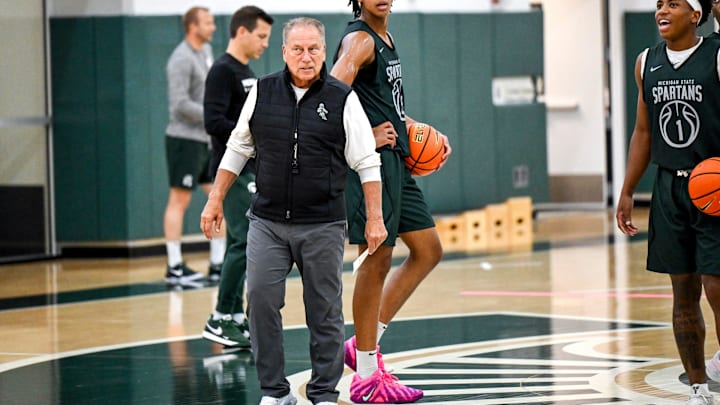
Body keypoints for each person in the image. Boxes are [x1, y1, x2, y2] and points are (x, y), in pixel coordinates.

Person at [200, 17, 386, 405]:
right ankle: (275, 392)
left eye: (314, 49)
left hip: (323, 224)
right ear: (284, 52)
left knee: (325, 313)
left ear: (324, 51)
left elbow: (367, 162)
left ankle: (322, 393)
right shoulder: (263, 91)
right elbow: (237, 147)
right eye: (297, 49)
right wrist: (215, 197)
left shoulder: (340, 97)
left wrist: (374, 218)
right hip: (267, 222)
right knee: (262, 302)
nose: (306, 57)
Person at [330, 0, 451, 402]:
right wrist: (363, 135)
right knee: (377, 257)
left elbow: (379, 101)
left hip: (396, 159)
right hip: (371, 164)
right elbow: (328, 99)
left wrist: (410, 126)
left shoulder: (385, 37)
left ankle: (362, 343)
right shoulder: (360, 40)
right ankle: (366, 375)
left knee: (428, 249)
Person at [615, 1, 720, 404]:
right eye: (659, 4)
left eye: (674, 4)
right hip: (668, 189)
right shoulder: (647, 62)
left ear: (696, 15)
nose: (662, 10)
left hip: (712, 189)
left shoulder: (716, 55)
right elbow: (643, 131)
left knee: (717, 287)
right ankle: (698, 389)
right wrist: (627, 190)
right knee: (683, 293)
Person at [201, 6, 273, 349]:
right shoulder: (221, 71)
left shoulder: (244, 70)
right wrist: (251, 137)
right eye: (261, 36)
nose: (264, 44)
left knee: (248, 242)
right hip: (232, 169)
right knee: (242, 240)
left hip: (251, 168)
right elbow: (213, 122)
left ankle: (235, 316)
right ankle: (220, 317)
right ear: (241, 32)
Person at [163, 6, 221, 285]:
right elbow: (179, 104)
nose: (213, 27)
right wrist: (211, 113)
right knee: (180, 199)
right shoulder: (181, 59)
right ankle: (174, 267)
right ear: (192, 26)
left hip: (203, 139)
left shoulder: (204, 54)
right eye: (207, 23)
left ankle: (218, 264)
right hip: (183, 139)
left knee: (219, 197)